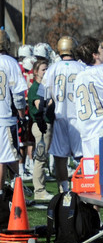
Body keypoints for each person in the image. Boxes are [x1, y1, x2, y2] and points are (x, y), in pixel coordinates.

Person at [44, 36, 85, 193]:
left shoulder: (53, 68)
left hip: (60, 114)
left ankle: (64, 190)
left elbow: (45, 93)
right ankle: (81, 187)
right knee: (82, 156)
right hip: (78, 116)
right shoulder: (81, 68)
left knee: (60, 157)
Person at [0, 30, 28, 186]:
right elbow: (18, 95)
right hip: (5, 117)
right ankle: (9, 194)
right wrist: (22, 116)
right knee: (5, 158)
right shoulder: (10, 62)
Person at [27, 59, 51, 199]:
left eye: (47, 69)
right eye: (43, 69)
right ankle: (39, 191)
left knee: (43, 158)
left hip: (45, 124)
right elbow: (39, 105)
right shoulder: (36, 87)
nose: (46, 72)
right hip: (41, 125)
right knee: (40, 159)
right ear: (36, 72)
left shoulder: (44, 86)